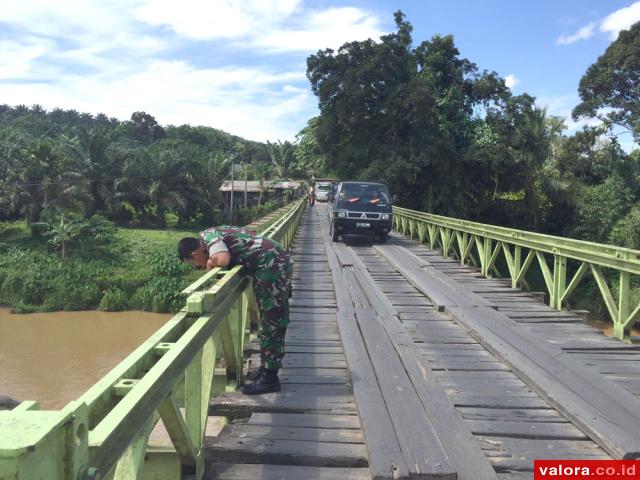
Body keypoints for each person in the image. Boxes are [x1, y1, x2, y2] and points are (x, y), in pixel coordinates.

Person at [178, 226, 293, 395]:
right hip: (271, 261)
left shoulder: (209, 238)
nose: (199, 267)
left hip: (271, 264)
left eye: (195, 265)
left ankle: (270, 379)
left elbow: (223, 259)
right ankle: (266, 369)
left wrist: (210, 262)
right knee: (269, 319)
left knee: (272, 320)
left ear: (194, 255)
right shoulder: (210, 233)